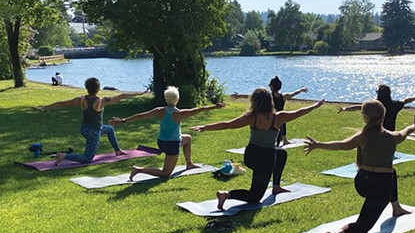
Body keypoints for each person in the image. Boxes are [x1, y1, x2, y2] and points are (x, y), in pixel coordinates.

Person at [303, 100, 415, 233]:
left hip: (362, 182)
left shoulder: (363, 136)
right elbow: (406, 131)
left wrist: (318, 145)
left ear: (365, 117)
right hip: (381, 186)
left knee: (393, 173)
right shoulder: (393, 137)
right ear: (382, 117)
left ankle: (396, 208)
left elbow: (342, 145)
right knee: (363, 227)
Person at [191, 88, 324, 210]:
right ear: (270, 101)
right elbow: (299, 112)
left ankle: (276, 186)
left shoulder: (252, 117)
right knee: (255, 197)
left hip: (251, 155)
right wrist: (315, 105)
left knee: (281, 153)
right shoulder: (278, 117)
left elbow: (228, 124)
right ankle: (226, 194)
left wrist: (205, 127)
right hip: (265, 159)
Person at [109, 86, 226, 181]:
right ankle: (138, 170)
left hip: (161, 142)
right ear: (177, 100)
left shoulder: (159, 111)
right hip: (172, 145)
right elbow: (198, 110)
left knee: (188, 139)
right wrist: (215, 107)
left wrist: (123, 120)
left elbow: (141, 116)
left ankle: (189, 163)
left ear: (166, 99)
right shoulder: (179, 113)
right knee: (165, 174)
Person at [34, 77, 145, 165]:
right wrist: (139, 93)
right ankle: (64, 156)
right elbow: (122, 96)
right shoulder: (101, 101)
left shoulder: (81, 99)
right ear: (98, 89)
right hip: (94, 132)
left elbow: (62, 103)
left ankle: (118, 150)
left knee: (110, 129)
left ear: (86, 88)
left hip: (85, 129)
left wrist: (44, 108)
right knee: (87, 158)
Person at [231, 76, 308, 145]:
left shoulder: (268, 96)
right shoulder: (283, 96)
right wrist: (301, 90)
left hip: (270, 116)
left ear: (271, 87)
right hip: (280, 117)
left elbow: (253, 96)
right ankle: (284, 140)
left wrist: (239, 96)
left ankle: (283, 140)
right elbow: (294, 93)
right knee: (282, 124)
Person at [337, 84, 415, 131]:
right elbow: (405, 101)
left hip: (376, 130)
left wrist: (345, 109)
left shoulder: (376, 105)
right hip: (390, 131)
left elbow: (359, 107)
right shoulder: (395, 105)